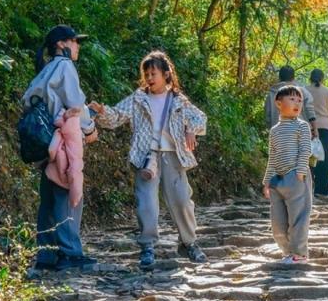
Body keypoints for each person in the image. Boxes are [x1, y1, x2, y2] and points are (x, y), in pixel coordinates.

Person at [92, 50, 208, 269]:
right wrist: (101, 111)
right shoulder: (138, 99)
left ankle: (189, 243)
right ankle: (147, 248)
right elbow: (116, 116)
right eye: (146, 73)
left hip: (173, 156)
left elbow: (199, 117)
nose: (149, 77)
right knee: (146, 203)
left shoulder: (178, 100)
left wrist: (191, 130)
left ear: (166, 74)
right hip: (146, 157)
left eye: (153, 73)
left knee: (182, 200)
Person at [22, 25, 100, 275]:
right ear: (61, 44)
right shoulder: (65, 67)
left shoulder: (46, 69)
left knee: (48, 196)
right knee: (67, 193)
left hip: (43, 138)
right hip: (62, 137)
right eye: (75, 42)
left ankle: (46, 255)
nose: (77, 47)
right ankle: (69, 253)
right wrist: (89, 129)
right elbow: (76, 104)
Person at [263, 83, 314, 264]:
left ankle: (299, 254)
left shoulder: (302, 126)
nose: (297, 103)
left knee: (298, 218)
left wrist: (300, 171)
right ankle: (287, 252)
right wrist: (267, 180)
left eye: (300, 100)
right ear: (278, 103)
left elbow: (305, 149)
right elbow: (272, 155)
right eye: (292, 99)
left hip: (296, 176)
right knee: (278, 222)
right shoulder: (275, 130)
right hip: (278, 179)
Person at [308, 69, 328, 197]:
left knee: (308, 156)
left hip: (308, 126)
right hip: (325, 127)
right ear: (322, 78)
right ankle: (321, 191)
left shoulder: (304, 90)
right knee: (323, 158)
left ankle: (307, 187)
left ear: (310, 78)